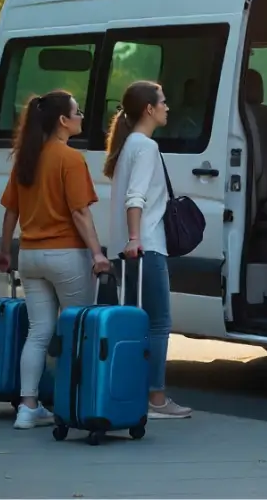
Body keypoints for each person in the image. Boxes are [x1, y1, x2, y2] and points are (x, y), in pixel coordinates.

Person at [0, 90, 110, 430]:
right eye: (78, 112)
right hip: (66, 256)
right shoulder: (70, 159)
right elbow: (80, 212)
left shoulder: (26, 159)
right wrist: (97, 253)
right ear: (63, 120)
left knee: (38, 332)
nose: (81, 117)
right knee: (76, 330)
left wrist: (4, 251)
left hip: (30, 256)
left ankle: (28, 407)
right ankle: (72, 404)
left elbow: (11, 212)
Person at [102, 81, 192, 419]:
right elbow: (135, 197)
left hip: (127, 249)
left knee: (135, 323)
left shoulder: (129, 145)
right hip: (146, 247)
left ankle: (133, 393)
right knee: (158, 323)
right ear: (148, 109)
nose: (167, 107)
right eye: (163, 102)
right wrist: (135, 237)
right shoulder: (146, 147)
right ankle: (155, 398)